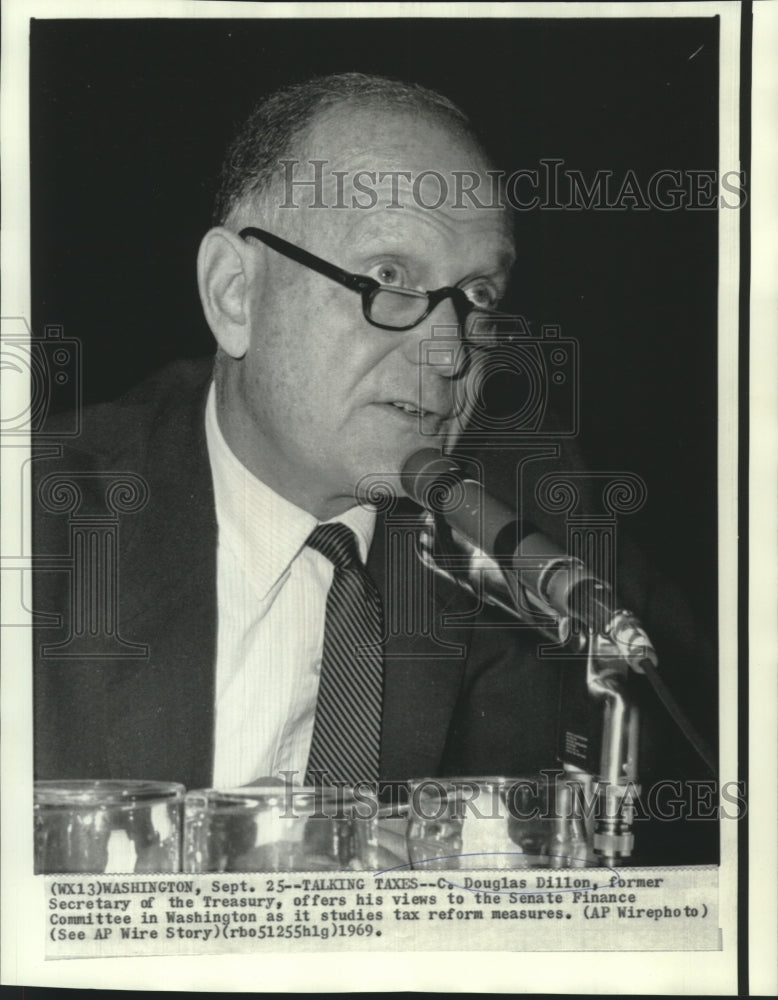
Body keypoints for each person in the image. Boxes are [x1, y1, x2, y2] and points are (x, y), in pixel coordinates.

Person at [32, 73, 716, 862]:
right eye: (388, 277)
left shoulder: (537, 523)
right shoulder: (41, 519)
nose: (450, 353)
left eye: (479, 294)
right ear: (234, 294)